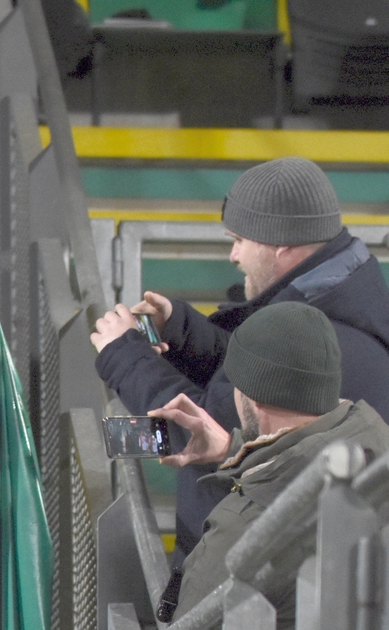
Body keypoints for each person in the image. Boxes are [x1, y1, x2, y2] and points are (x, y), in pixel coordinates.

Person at [92, 156, 389, 568]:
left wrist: (123, 355)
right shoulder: (328, 298)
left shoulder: (330, 333)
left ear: (281, 243)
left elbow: (201, 432)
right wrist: (181, 329)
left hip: (253, 585)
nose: (233, 255)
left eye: (240, 240)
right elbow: (252, 369)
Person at [161, 302, 389, 630]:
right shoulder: (374, 452)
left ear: (254, 397)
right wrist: (239, 449)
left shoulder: (246, 525)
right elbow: (304, 465)